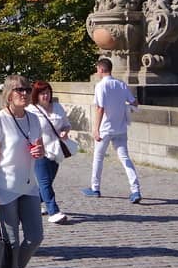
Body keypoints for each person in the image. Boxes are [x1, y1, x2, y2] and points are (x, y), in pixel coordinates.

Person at [0, 75, 44, 268]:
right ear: (9, 94)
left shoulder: (34, 119)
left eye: (28, 90)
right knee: (12, 242)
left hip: (29, 186)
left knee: (35, 237)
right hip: (5, 188)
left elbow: (39, 148)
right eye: (20, 90)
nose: (25, 94)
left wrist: (40, 151)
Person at [82, 57, 140, 203]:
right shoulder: (121, 84)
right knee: (125, 158)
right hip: (120, 127)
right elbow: (134, 102)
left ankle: (95, 188)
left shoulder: (101, 86)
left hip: (105, 128)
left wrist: (96, 129)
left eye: (97, 69)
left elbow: (100, 108)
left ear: (101, 69)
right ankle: (135, 189)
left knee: (98, 157)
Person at [26, 81, 71, 224]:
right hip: (40, 150)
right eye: (42, 93)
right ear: (36, 95)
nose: (45, 96)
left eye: (47, 92)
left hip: (56, 150)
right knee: (45, 182)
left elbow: (66, 124)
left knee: (48, 181)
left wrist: (65, 131)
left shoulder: (57, 107)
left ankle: (31, 203)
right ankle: (54, 211)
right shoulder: (31, 110)